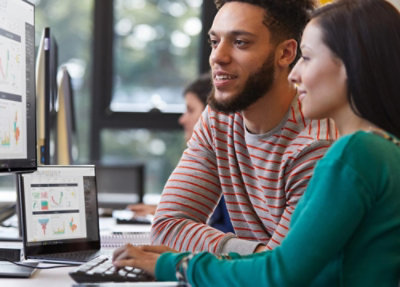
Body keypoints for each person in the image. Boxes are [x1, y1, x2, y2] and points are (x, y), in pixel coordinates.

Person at [112, 0, 400, 285]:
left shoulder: (350, 153)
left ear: (349, 65)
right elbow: (281, 264)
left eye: (308, 58)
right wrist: (249, 257)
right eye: (214, 42)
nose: (296, 74)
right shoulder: (380, 149)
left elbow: (278, 273)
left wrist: (176, 264)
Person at [149, 0, 336, 256]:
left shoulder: (314, 146)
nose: (218, 56)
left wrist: (252, 259)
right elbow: (167, 228)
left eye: (240, 42)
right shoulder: (219, 120)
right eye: (215, 42)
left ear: (286, 53)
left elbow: (284, 269)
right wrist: (255, 253)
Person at [128, 73, 235, 233]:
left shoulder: (233, 166)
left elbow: (225, 229)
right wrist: (169, 212)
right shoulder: (216, 159)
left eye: (190, 110)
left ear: (211, 113)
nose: (182, 119)